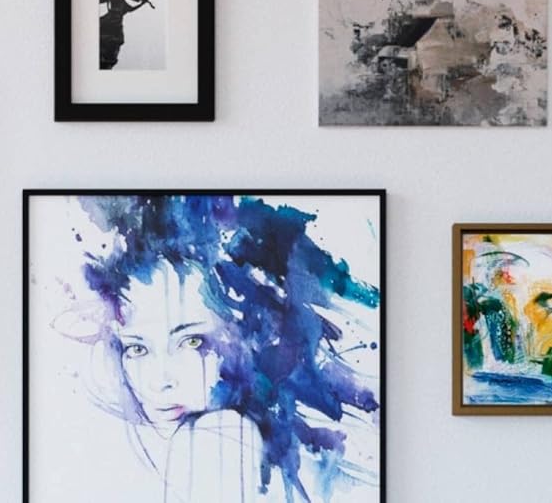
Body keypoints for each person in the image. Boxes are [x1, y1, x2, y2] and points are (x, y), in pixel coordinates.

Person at [75, 194, 381, 501]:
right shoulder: (263, 440)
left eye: (192, 342)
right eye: (137, 349)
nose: (160, 381)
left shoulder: (220, 437)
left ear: (244, 333)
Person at [99, 0, 154, 69]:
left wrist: (142, 3)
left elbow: (133, 5)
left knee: (118, 39)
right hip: (112, 18)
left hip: (116, 21)